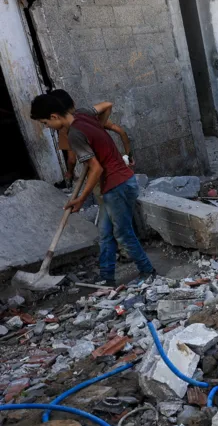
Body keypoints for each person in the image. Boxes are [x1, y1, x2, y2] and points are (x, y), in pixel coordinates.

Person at [30, 91, 154, 287]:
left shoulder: (74, 134)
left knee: (123, 233)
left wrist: (80, 199)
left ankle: (148, 271)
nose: (47, 127)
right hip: (115, 185)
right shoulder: (83, 114)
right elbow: (106, 105)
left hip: (117, 186)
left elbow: (96, 168)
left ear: (54, 116)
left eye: (45, 123)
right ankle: (107, 277)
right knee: (105, 232)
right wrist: (101, 129)